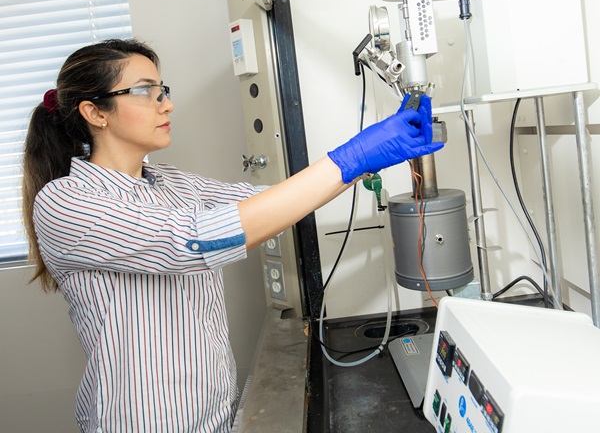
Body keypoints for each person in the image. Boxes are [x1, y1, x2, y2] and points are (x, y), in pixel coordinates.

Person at [22, 38, 443, 433]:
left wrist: (367, 160)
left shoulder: (171, 183)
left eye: (163, 89)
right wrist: (353, 156)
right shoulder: (65, 202)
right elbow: (196, 241)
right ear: (95, 112)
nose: (166, 104)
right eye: (146, 92)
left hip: (214, 413)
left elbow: (270, 203)